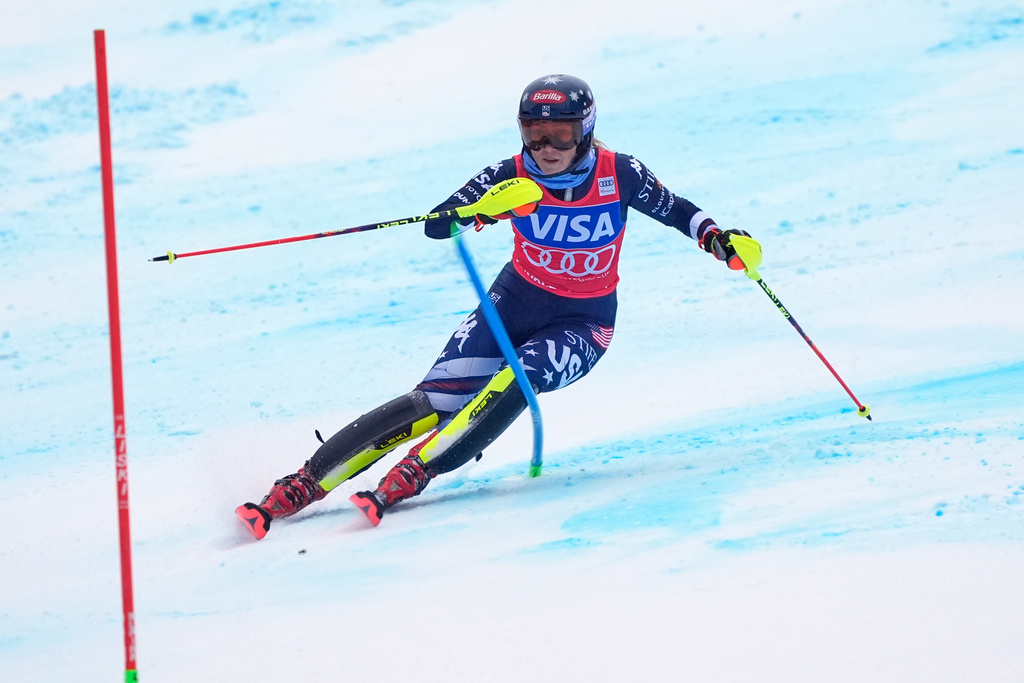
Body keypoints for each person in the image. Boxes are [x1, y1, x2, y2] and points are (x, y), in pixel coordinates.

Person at [236, 74, 757, 539]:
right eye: (534, 132)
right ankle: (303, 483)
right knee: (433, 400)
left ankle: (418, 472)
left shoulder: (620, 173)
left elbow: (678, 211)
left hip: (584, 321)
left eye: (562, 133)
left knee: (519, 376)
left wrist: (719, 240)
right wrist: (480, 210)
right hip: (512, 303)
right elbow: (437, 225)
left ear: (587, 129)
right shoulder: (509, 175)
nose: (547, 145)